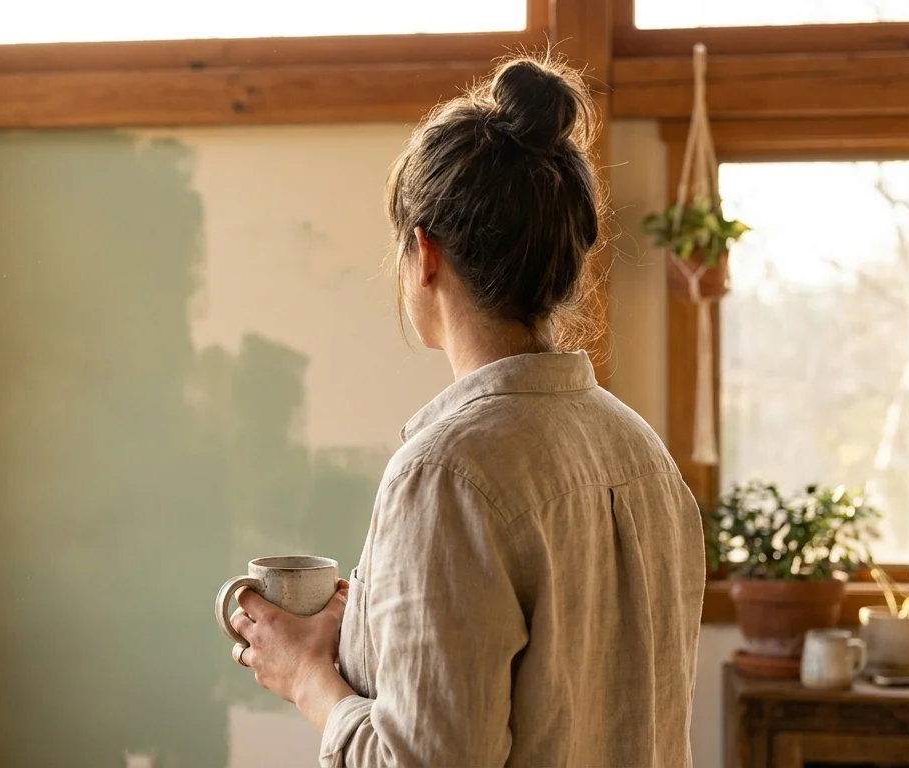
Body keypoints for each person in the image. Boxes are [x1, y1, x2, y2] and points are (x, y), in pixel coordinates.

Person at [227, 55, 706, 768]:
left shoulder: (446, 473)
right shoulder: (641, 450)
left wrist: (305, 678)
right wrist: (367, 626)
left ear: (424, 254)